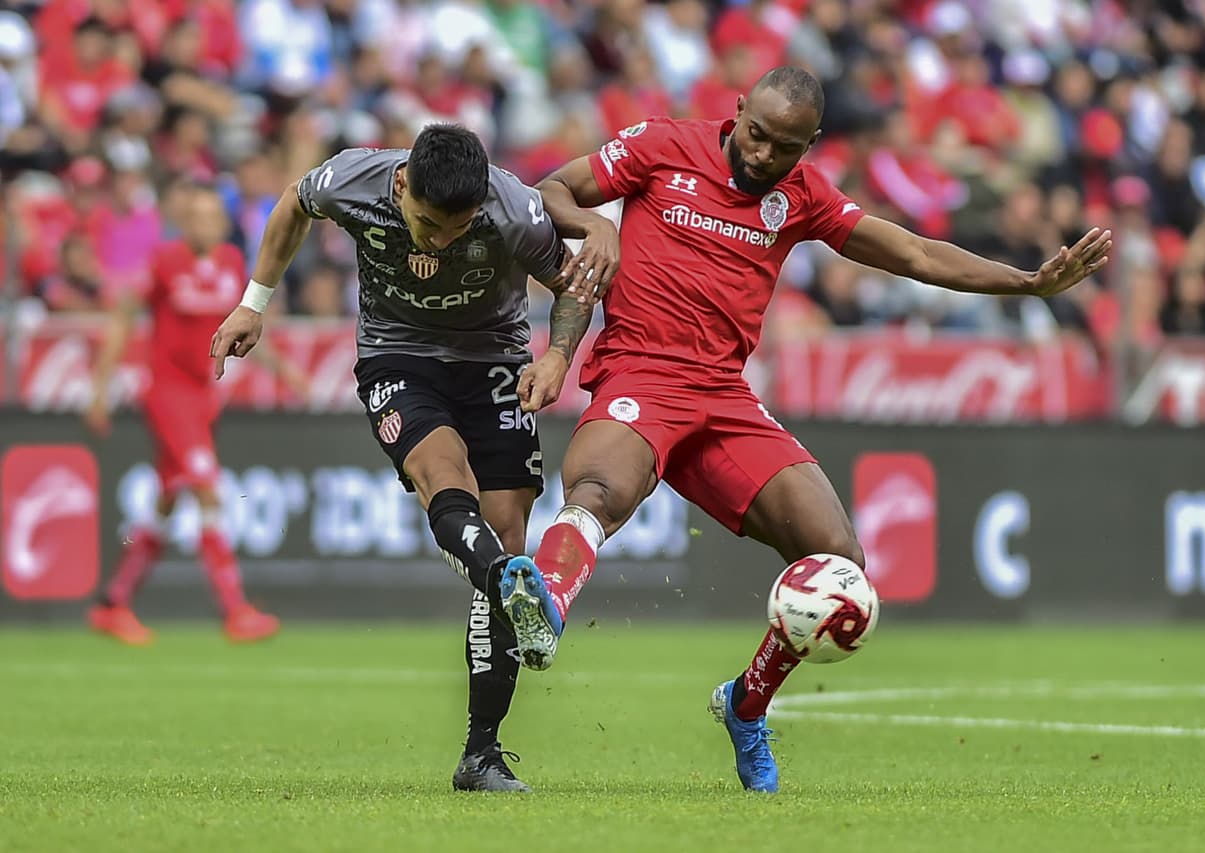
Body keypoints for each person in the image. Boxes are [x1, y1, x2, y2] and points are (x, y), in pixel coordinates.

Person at [514, 66, 1112, 793]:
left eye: (784, 147)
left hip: (725, 398)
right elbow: (548, 188)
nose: (763, 156)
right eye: (757, 134)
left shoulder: (802, 196)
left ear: (810, 146)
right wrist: (595, 222)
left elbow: (914, 253)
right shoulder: (662, 145)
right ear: (738, 112)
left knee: (839, 560)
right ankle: (545, 598)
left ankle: (745, 705)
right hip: (642, 372)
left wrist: (1023, 283)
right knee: (599, 486)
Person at [208, 124, 598, 792]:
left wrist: (559, 353)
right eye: (427, 223)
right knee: (441, 475)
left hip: (497, 361)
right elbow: (292, 206)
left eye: (457, 228)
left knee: (505, 525)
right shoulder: (353, 179)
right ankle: (509, 579)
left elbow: (573, 280)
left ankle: (481, 753)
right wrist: (254, 303)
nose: (440, 242)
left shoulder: (514, 208)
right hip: (399, 356)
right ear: (401, 185)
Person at [86, 182, 308, 645]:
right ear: (184, 220)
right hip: (167, 395)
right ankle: (236, 609)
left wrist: (283, 367)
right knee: (207, 489)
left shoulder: (230, 263)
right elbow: (124, 317)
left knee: (168, 501)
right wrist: (101, 390)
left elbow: (237, 325)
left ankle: (113, 604)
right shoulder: (164, 262)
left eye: (213, 216)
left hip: (204, 398)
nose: (205, 223)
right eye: (197, 215)